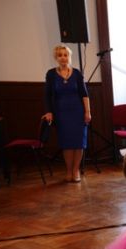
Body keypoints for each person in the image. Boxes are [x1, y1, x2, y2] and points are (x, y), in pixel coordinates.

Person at [43, 44, 90, 183]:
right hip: (61, 113)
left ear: (69, 57)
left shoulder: (77, 73)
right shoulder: (51, 74)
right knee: (67, 143)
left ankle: (76, 170)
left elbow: (84, 94)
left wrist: (87, 112)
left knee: (79, 143)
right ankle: (69, 170)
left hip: (78, 112)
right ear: (56, 58)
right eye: (60, 55)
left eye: (65, 55)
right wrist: (49, 111)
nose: (63, 58)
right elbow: (47, 95)